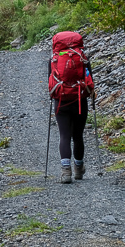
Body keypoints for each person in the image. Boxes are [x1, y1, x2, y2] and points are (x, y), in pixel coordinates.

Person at [47, 31, 95, 184]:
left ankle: (65, 171)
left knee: (64, 135)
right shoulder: (83, 58)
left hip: (61, 101)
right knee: (78, 136)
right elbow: (90, 80)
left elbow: (51, 81)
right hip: (80, 100)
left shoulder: (54, 59)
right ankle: (79, 169)